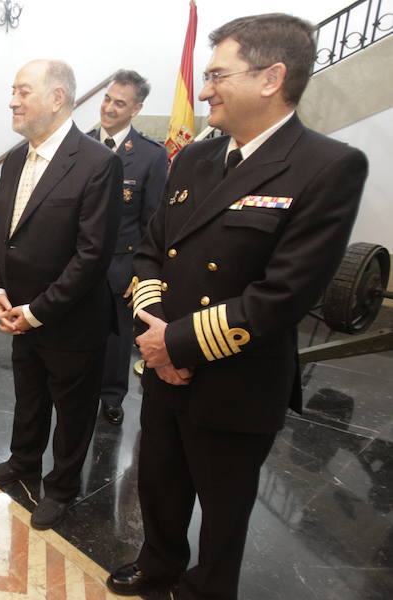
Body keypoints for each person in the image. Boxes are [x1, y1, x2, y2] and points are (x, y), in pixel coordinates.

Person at [106, 14, 369, 600]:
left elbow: (284, 295)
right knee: (159, 483)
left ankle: (206, 587)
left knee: (224, 508)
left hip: (236, 378)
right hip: (165, 365)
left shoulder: (328, 166)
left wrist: (171, 344)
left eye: (217, 74)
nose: (203, 91)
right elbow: (152, 248)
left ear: (272, 77)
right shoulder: (196, 158)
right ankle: (160, 564)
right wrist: (156, 332)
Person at [0, 59, 122, 529]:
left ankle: (61, 487)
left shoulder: (98, 163)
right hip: (17, 313)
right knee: (29, 397)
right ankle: (23, 464)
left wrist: (37, 311)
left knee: (73, 411)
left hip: (71, 320)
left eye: (23, 91)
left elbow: (92, 255)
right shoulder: (17, 157)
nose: (12, 101)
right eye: (12, 90)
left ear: (57, 98)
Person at [88, 70, 169, 426]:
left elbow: (153, 220)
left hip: (121, 264)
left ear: (136, 109)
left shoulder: (151, 156)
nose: (109, 107)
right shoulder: (81, 144)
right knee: (75, 332)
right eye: (107, 98)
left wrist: (140, 272)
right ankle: (77, 389)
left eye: (119, 103)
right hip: (78, 261)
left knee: (117, 339)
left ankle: (110, 396)